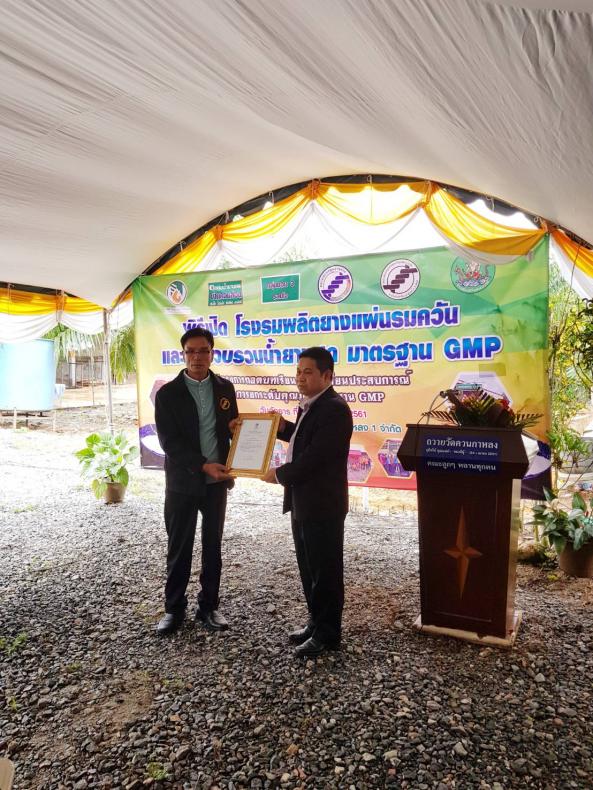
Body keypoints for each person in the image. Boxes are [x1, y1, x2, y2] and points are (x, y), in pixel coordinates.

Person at [263, 347, 353, 658]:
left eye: (308, 372)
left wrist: (278, 475)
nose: (300, 377)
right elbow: (302, 438)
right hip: (303, 501)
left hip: (323, 504)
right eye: (298, 371)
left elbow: (316, 457)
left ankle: (328, 634)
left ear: (327, 376)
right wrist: (281, 427)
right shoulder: (312, 404)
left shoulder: (334, 409)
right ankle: (316, 622)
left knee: (325, 570)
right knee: (309, 567)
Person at [154, 327, 238, 635]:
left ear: (212, 354)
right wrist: (203, 466)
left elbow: (231, 430)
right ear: (183, 355)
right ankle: (173, 609)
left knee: (213, 546)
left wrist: (238, 432)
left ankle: (209, 607)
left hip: (216, 484)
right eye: (191, 351)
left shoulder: (225, 388)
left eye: (203, 351)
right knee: (179, 547)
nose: (197, 357)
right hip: (182, 483)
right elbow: (169, 443)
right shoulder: (167, 394)